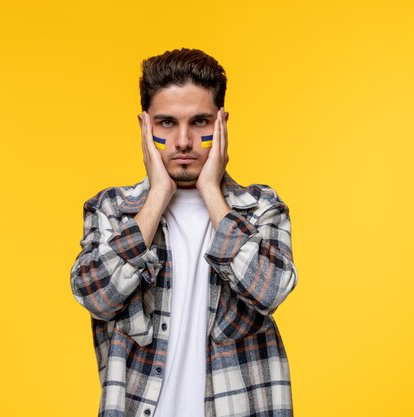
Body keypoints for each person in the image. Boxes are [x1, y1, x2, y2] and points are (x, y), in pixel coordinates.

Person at [70, 48, 298, 417]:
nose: (183, 141)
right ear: (144, 126)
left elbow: (270, 289)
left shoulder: (260, 208)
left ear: (222, 122)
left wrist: (211, 191)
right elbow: (95, 295)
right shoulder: (111, 209)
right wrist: (158, 194)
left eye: (200, 122)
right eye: (166, 123)